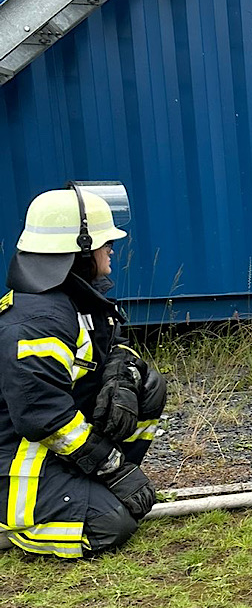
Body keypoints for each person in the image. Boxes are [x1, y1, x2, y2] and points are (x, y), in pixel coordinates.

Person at [0, 186, 166, 557]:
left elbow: (111, 344)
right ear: (78, 251)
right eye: (104, 242)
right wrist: (114, 469)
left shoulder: (75, 297)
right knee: (109, 527)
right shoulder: (36, 322)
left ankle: (92, 490)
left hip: (43, 449)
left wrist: (121, 374)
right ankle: (22, 521)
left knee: (147, 385)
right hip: (15, 462)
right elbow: (45, 417)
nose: (111, 249)